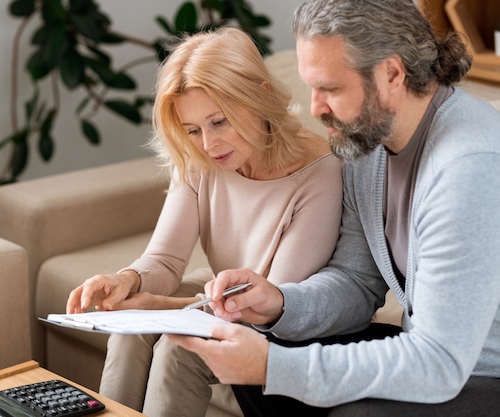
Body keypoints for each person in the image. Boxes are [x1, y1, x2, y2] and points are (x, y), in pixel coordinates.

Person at [169, 1, 500, 416]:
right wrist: (278, 302)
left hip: (482, 372)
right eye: (312, 87)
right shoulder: (368, 149)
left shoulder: (467, 165)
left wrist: (275, 366)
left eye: (330, 88)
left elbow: (440, 361)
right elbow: (357, 281)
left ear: (392, 74)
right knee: (264, 355)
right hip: (439, 358)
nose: (314, 108)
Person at [65, 27, 343, 417]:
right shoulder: (201, 158)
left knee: (179, 347)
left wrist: (162, 306)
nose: (208, 144)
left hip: (277, 320)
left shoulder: (320, 172)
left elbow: (272, 302)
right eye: (193, 130)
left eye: (219, 122)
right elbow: (163, 260)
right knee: (129, 329)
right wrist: (124, 280)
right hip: (216, 292)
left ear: (261, 95)